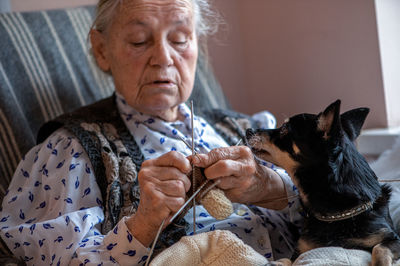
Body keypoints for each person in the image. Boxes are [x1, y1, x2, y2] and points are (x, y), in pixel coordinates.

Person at [0, 0, 302, 265]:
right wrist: (142, 226)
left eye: (181, 39)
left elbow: (344, 206)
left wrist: (273, 188)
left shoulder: (246, 131)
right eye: (139, 41)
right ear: (102, 50)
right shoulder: (70, 151)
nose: (163, 57)